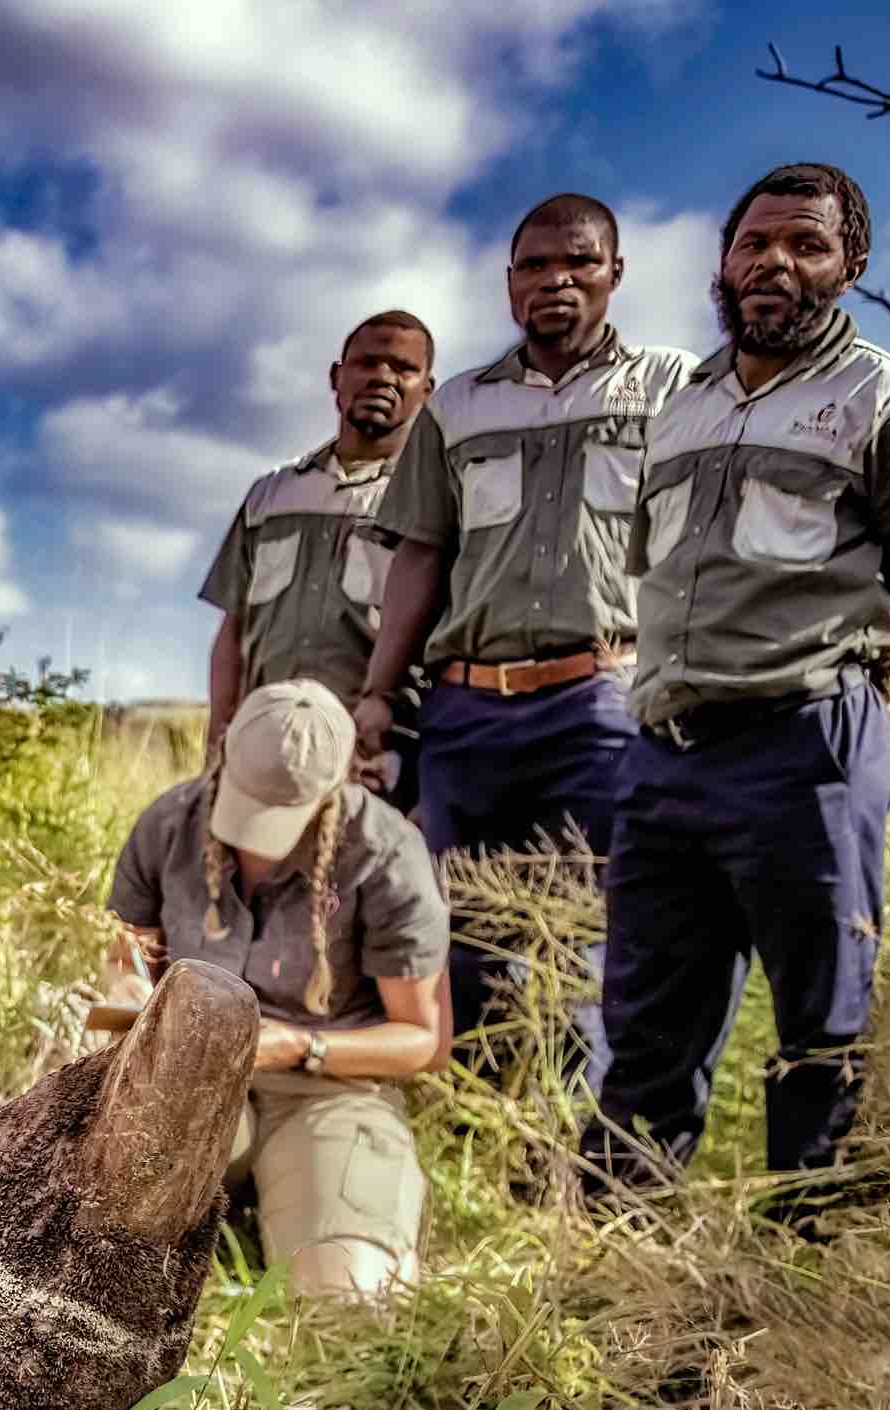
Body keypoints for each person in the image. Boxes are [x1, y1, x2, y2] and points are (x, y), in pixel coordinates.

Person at [587, 163, 890, 1211]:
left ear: (849, 266)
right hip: (664, 758)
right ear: (723, 262)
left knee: (823, 1036)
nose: (775, 262)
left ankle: (805, 1301)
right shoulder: (678, 408)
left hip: (806, 744)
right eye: (755, 242)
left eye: (806, 245)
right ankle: (616, 1288)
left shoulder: (878, 395)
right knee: (644, 1038)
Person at [352, 195, 699, 1086]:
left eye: (579, 263)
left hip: (604, 702)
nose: (558, 281)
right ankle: (473, 1123)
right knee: (459, 935)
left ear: (615, 275)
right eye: (536, 266)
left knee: (583, 937)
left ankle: (559, 1154)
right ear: (509, 284)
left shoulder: (673, 387)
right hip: (469, 714)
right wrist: (379, 693)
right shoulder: (459, 406)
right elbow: (423, 555)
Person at [105, 681, 451, 1298]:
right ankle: (244, 1210)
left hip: (327, 1089)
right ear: (223, 756)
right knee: (95, 1242)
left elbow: (421, 1041)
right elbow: (127, 955)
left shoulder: (387, 855)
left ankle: (304, 1208)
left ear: (332, 790)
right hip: (193, 1076)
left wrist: (299, 1047)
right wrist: (130, 991)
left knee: (353, 1299)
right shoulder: (168, 824)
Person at [201, 312, 438, 810]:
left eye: (403, 368)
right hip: (264, 746)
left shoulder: (436, 498)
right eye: (367, 363)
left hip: (375, 757)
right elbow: (233, 628)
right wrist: (219, 737)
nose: (383, 377)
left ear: (428, 390)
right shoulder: (271, 493)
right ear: (337, 378)